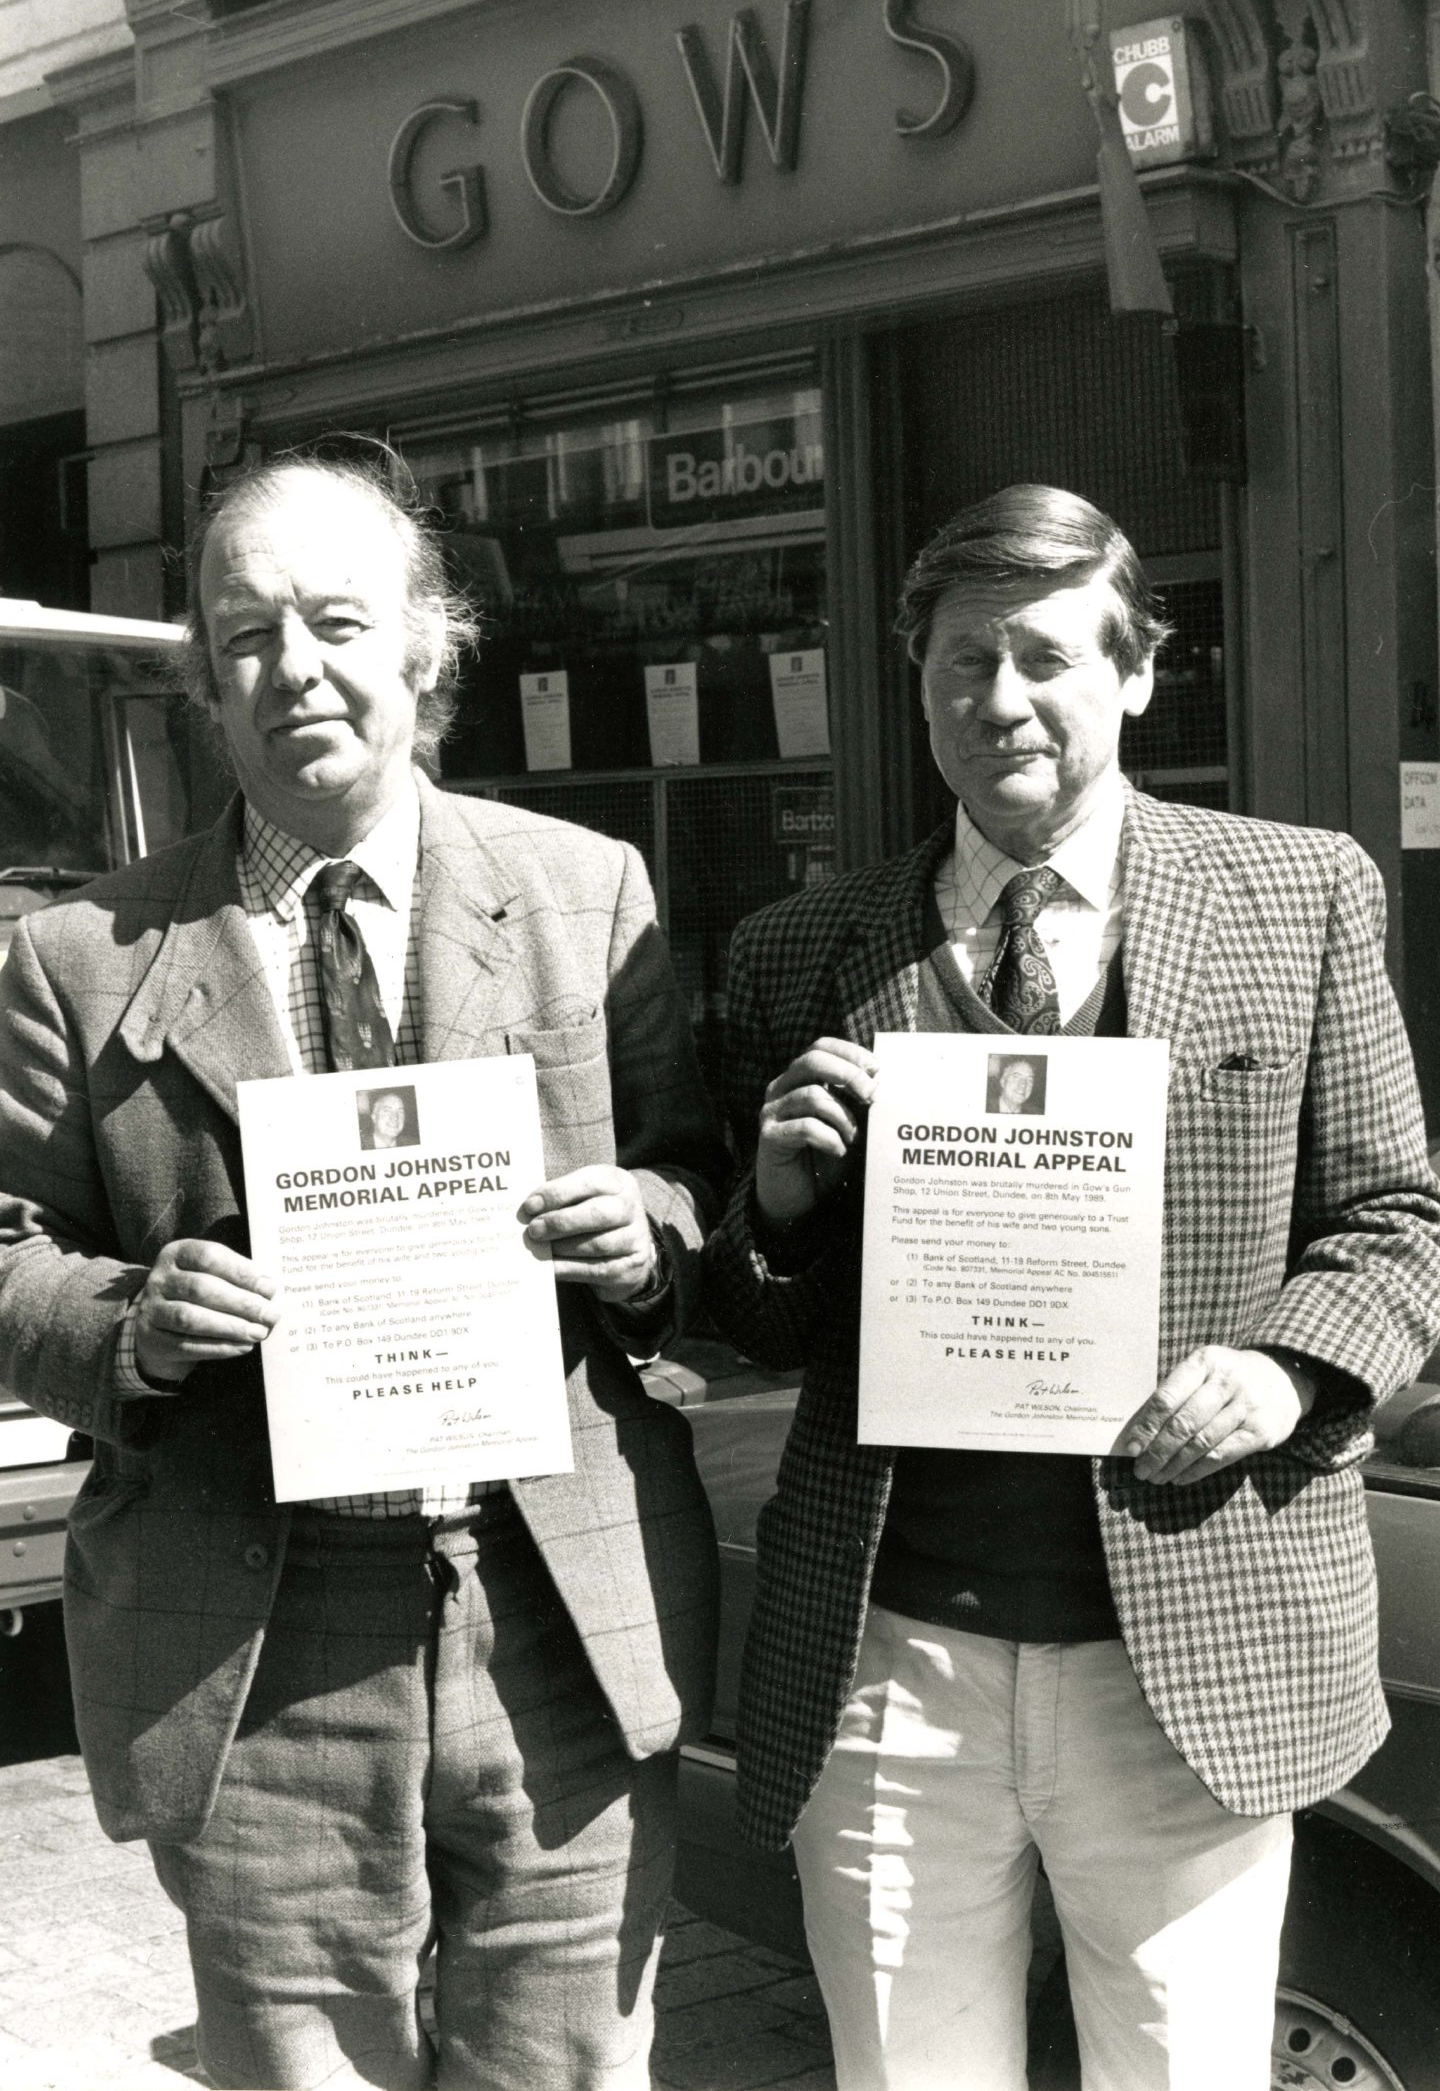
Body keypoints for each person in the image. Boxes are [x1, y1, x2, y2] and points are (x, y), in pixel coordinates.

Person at [0, 455, 726, 2091]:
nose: (294, 668)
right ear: (202, 675)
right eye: (245, 633)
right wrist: (135, 1321)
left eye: (337, 621)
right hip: (258, 1636)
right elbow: (2, 1250)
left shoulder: (582, 893)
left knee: (569, 2067)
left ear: (426, 647)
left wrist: (646, 1234)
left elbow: (700, 1180)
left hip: (552, 1609)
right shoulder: (77, 956)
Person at [703, 483, 1440, 2089]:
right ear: (918, 687)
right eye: (962, 662)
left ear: (1138, 671)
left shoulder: (1297, 893)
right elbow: (744, 1317)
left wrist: (1288, 1373)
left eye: (1044, 655)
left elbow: (1398, 1222)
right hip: (892, 1662)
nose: (1001, 701)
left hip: (1186, 1653)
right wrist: (771, 1202)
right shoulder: (799, 948)